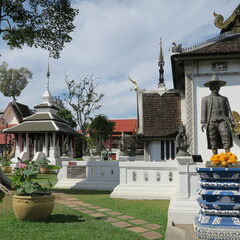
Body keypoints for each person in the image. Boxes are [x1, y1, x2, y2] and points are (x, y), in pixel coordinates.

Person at [201, 74, 234, 155]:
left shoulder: (224, 99)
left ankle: (228, 156)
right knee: (212, 138)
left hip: (222, 120)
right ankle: (215, 157)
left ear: (219, 88)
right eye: (213, 86)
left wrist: (231, 120)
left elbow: (228, 110)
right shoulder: (206, 99)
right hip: (211, 121)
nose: (215, 88)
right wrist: (203, 122)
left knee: (226, 136)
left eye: (217, 86)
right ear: (210, 88)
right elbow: (203, 110)